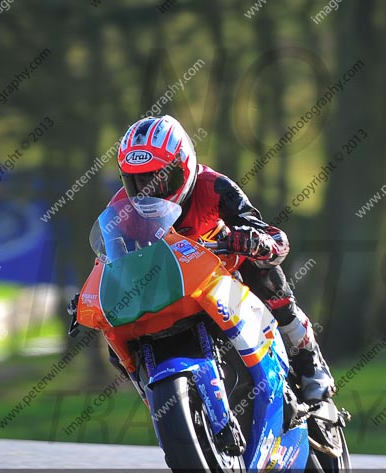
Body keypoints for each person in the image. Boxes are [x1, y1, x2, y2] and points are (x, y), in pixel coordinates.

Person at [108, 114, 335, 402]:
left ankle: (310, 362)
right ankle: (155, 394)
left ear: (184, 166)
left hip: (221, 274)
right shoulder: (122, 208)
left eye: (160, 178)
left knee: (263, 274)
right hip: (166, 286)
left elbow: (270, 234)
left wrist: (256, 241)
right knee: (117, 333)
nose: (148, 190)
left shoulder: (213, 186)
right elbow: (109, 260)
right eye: (137, 181)